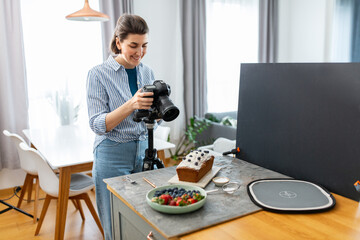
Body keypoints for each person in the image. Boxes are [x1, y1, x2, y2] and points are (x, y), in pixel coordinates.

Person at [86, 14, 155, 240]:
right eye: (133, 45)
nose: (139, 52)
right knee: (115, 228)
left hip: (145, 152)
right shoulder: (98, 74)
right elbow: (97, 124)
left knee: (146, 220)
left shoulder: (147, 72)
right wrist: (130, 105)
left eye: (144, 45)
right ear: (118, 42)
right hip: (112, 155)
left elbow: (150, 119)